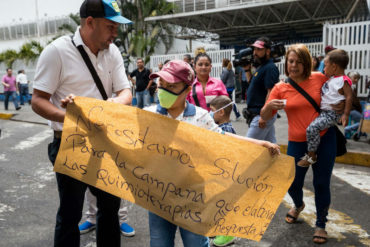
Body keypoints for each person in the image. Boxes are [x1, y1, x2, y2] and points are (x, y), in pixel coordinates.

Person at [31, 0, 133, 246]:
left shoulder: (113, 51)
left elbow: (125, 92)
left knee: (109, 209)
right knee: (70, 214)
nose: (115, 34)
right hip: (70, 142)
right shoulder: (56, 51)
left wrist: (104, 109)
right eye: (110, 27)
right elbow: (37, 100)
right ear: (90, 22)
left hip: (105, 142)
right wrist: (70, 117)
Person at [146, 59, 280, 247]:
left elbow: (223, 138)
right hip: (158, 199)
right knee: (159, 243)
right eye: (161, 85)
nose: (163, 90)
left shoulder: (200, 117)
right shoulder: (148, 115)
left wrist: (260, 143)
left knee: (196, 243)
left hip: (193, 198)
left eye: (171, 86)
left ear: (186, 90)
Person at [261, 44, 344, 244]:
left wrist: (341, 104)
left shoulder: (319, 78)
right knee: (293, 182)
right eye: (291, 61)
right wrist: (269, 106)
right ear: (286, 63)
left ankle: (321, 224)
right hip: (297, 143)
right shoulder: (280, 88)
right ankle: (298, 205)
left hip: (325, 139)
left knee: (321, 183)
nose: (294, 66)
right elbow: (264, 116)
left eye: (299, 62)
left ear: (307, 63)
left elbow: (340, 91)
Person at [297, 49, 352, 167]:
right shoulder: (331, 79)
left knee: (312, 128)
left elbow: (349, 96)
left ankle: (311, 155)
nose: (323, 69)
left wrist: (346, 114)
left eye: (325, 65)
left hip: (332, 113)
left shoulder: (343, 80)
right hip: (324, 112)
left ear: (334, 67)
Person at [208, 96, 236, 246]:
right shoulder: (226, 127)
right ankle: (218, 230)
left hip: (223, 174)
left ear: (221, 112)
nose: (209, 113)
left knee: (222, 204)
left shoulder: (224, 130)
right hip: (221, 173)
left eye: (212, 111)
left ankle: (227, 235)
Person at [245, 37, 279, 143]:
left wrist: (265, 116)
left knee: (247, 145)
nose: (255, 53)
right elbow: (251, 83)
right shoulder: (261, 67)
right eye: (254, 49)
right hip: (259, 114)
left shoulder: (270, 68)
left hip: (262, 115)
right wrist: (247, 69)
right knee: (271, 147)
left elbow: (271, 92)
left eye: (259, 49)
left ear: (268, 51)